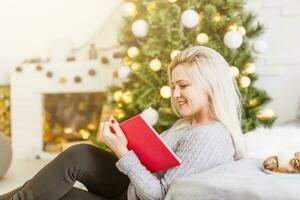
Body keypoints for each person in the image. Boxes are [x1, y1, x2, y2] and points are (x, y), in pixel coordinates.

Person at [0, 46, 247, 200]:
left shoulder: (209, 138)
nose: (175, 94)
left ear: (210, 85)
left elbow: (160, 196)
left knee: (54, 194)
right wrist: (129, 142)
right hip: (131, 186)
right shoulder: (188, 123)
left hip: (139, 196)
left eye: (183, 86)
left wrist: (122, 151)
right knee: (75, 158)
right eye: (173, 86)